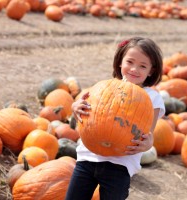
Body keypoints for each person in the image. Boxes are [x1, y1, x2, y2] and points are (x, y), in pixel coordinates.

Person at [65, 36, 165, 200]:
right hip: (88, 156)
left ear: (151, 71)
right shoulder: (104, 87)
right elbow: (82, 108)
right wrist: (75, 107)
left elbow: (149, 133)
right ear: (120, 62)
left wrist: (147, 144)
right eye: (130, 62)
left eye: (142, 66)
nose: (134, 69)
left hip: (120, 164)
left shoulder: (152, 98)